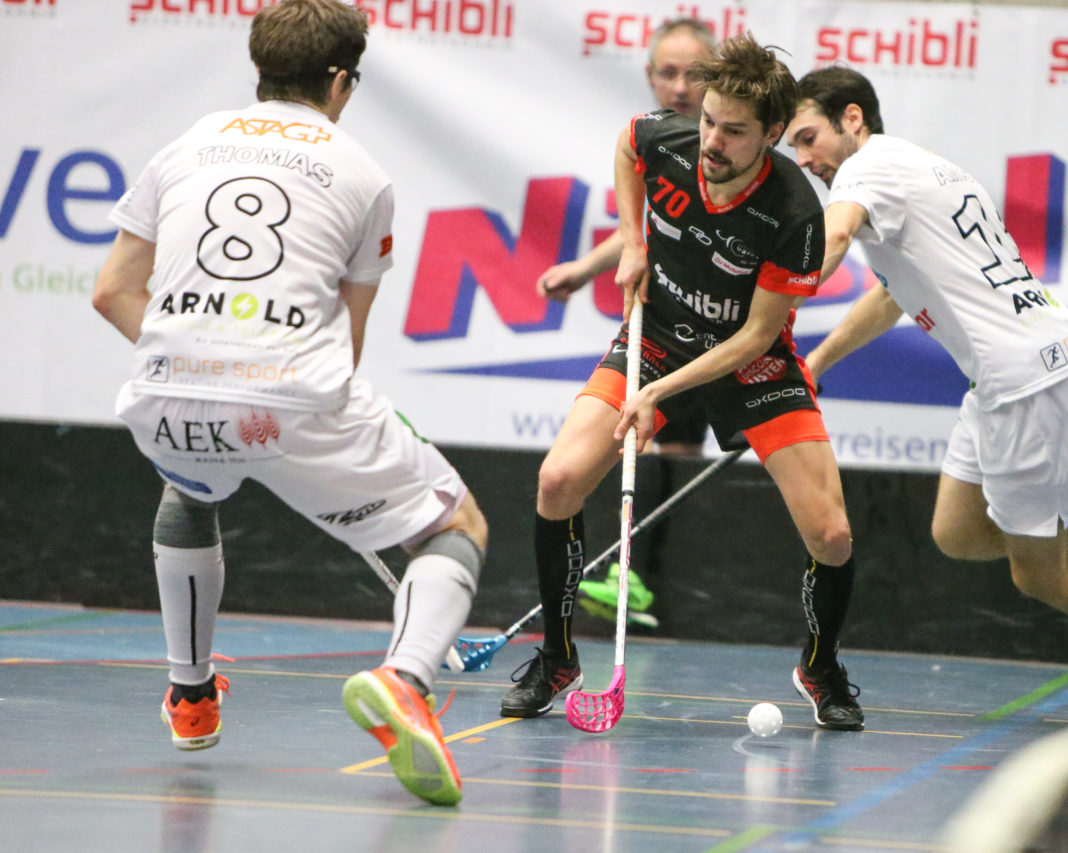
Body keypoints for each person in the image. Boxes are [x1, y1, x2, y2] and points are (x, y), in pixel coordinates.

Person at [91, 0, 485, 806]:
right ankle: (405, 679)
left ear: (259, 69)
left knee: (189, 486)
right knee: (454, 525)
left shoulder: (185, 143)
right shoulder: (364, 173)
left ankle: (191, 694)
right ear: (340, 80)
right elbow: (349, 343)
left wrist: (193, 364)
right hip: (289, 399)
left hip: (159, 399)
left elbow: (110, 292)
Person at [784, 66, 1068, 677]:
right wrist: (818, 360)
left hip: (1027, 380)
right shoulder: (917, 165)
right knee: (958, 530)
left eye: (807, 138)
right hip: (1016, 372)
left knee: (1044, 573)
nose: (804, 158)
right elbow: (891, 297)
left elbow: (832, 239)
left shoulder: (864, 172)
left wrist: (772, 304)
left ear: (851, 118)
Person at [500, 33, 865, 731]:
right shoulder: (667, 139)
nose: (711, 140)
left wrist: (656, 397)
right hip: (659, 339)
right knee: (558, 480)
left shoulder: (795, 215)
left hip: (750, 363)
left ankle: (819, 666)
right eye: (708, 120)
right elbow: (626, 143)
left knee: (834, 533)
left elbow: (756, 336)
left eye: (733, 131)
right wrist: (634, 241)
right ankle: (558, 656)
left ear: (773, 134)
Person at [537, 18, 719, 630]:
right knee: (646, 440)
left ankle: (638, 573)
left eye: (695, 73)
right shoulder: (651, 145)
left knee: (678, 446)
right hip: (662, 324)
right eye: (668, 73)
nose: (681, 86)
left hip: (719, 329)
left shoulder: (727, 148)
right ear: (650, 77)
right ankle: (629, 573)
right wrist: (585, 270)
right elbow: (634, 236)